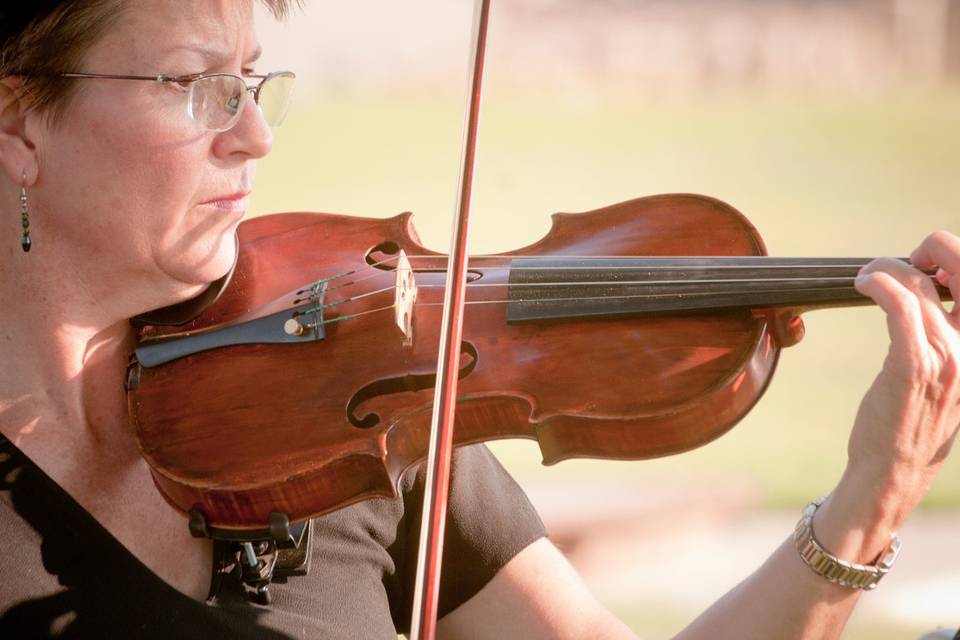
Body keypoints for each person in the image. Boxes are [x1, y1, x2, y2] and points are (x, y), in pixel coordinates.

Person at [0, 1, 957, 638]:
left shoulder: (358, 385)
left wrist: (866, 507)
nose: (253, 134)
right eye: (192, 84)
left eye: (253, 82)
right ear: (19, 124)